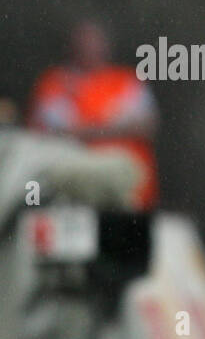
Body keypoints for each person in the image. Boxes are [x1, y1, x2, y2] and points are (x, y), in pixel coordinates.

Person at [28, 19, 159, 211]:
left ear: (106, 46)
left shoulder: (126, 80)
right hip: (72, 196)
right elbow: (43, 134)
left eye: (94, 42)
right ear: (71, 47)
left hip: (129, 194)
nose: (88, 48)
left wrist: (84, 130)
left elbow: (147, 126)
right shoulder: (54, 83)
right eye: (83, 42)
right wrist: (112, 129)